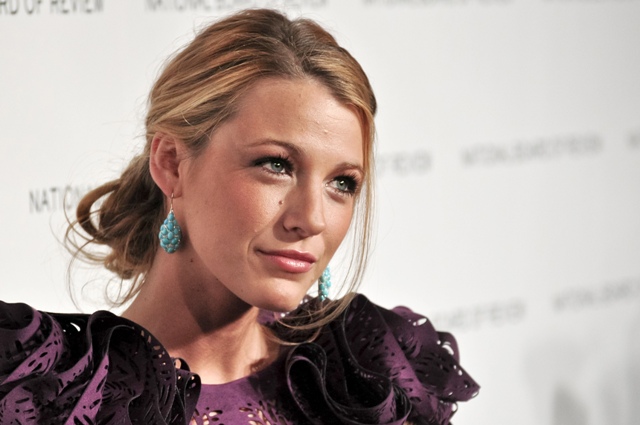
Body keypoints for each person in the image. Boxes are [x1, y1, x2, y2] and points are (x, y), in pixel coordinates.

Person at [0, 9, 478, 425]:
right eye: (276, 165)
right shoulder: (58, 398)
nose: (311, 219)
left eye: (342, 183)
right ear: (171, 163)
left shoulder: (368, 379)